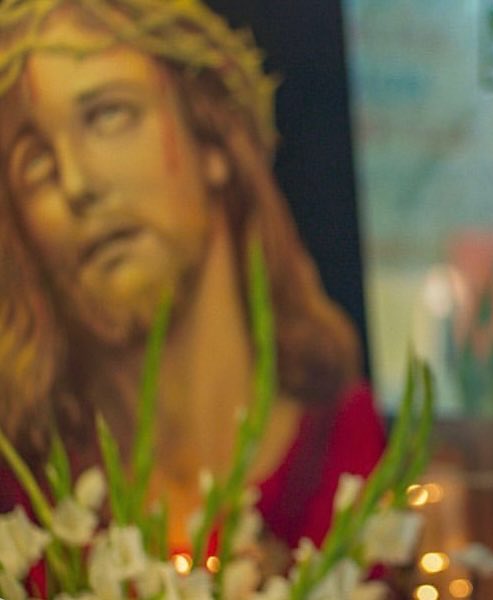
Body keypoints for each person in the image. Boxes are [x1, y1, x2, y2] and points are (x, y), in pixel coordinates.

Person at [0, 0, 384, 560]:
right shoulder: (24, 519)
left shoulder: (363, 460)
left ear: (211, 139)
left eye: (108, 116)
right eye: (34, 162)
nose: (78, 183)